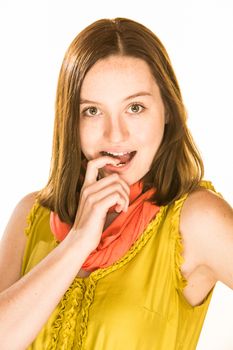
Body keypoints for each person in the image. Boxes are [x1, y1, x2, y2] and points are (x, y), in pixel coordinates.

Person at [0, 17, 232, 350]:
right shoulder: (29, 217)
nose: (115, 134)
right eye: (92, 111)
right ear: (71, 119)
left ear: (167, 110)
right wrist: (78, 242)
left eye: (135, 108)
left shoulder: (196, 220)